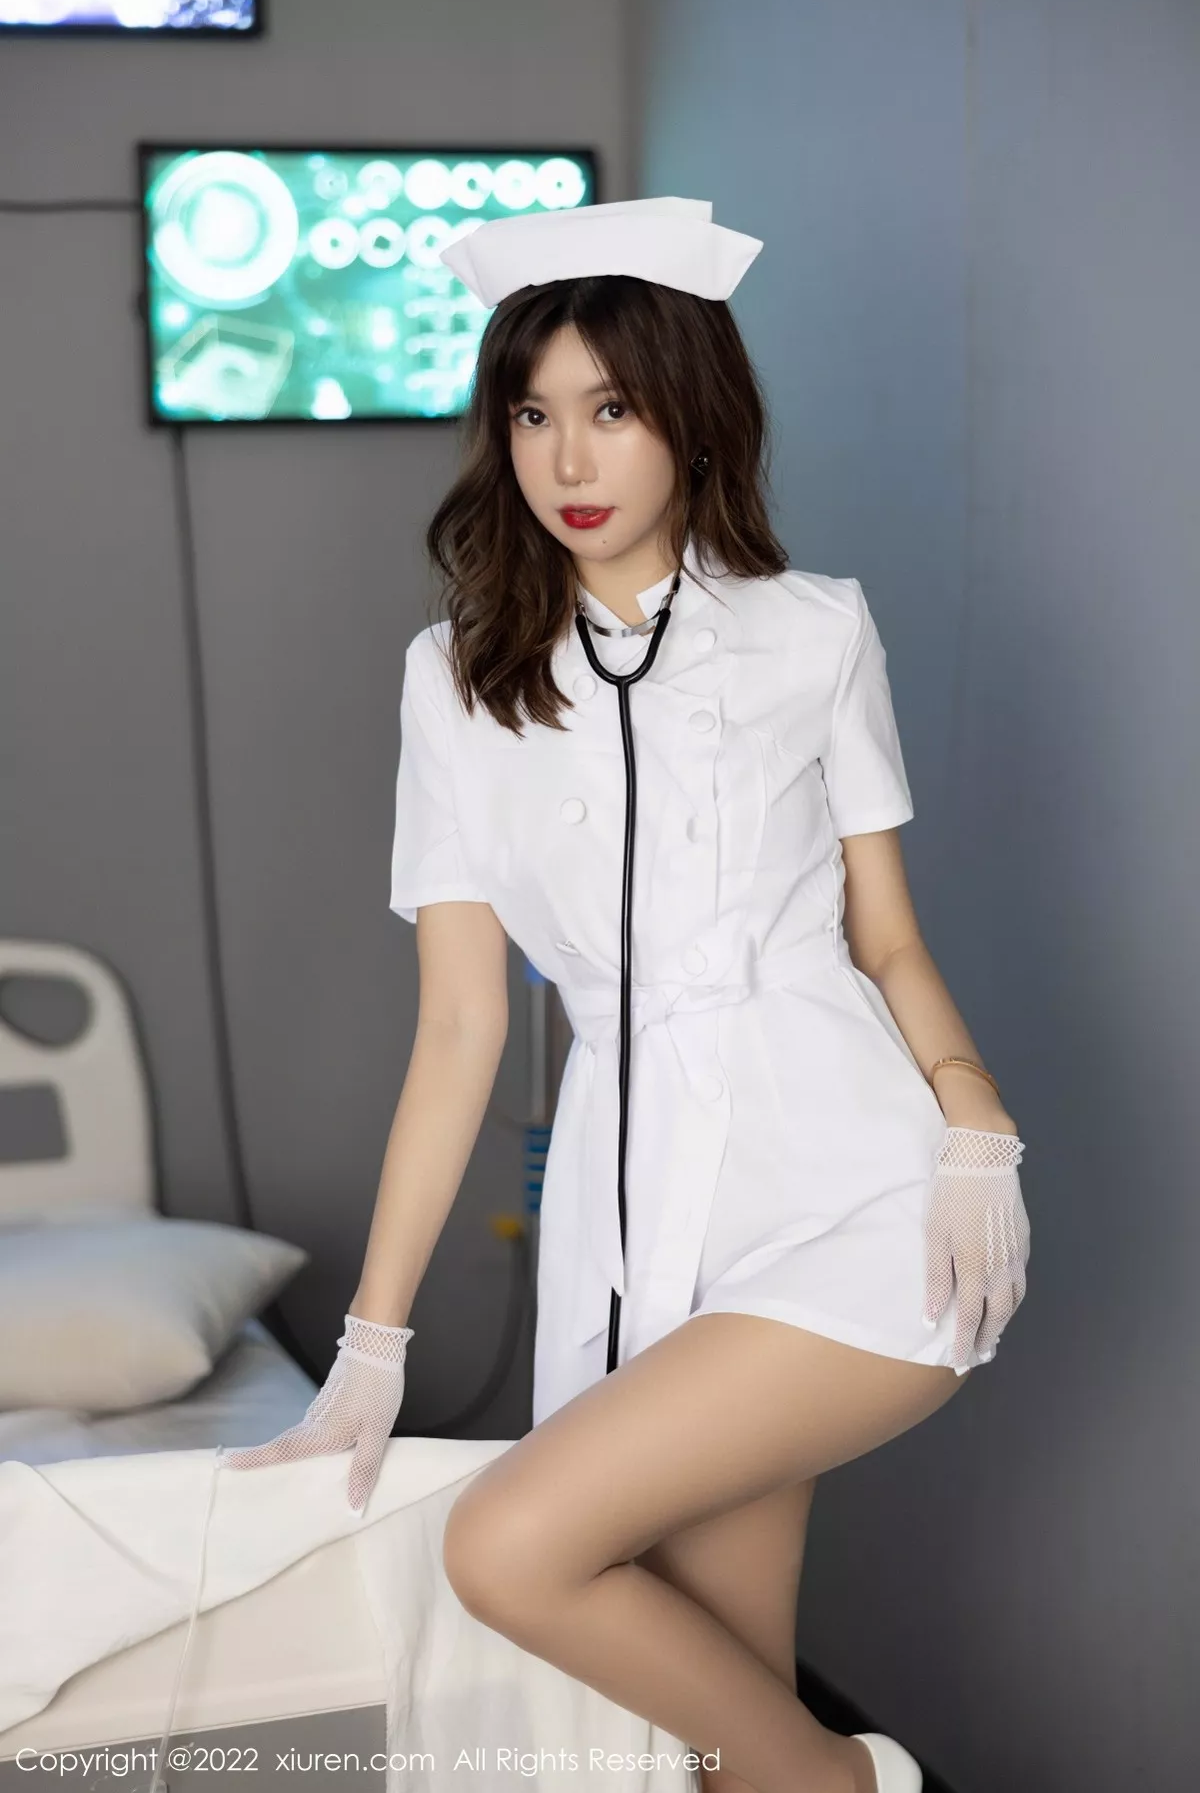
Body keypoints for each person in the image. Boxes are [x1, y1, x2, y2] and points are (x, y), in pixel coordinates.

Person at [225, 198, 1031, 1793]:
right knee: (713, 1727)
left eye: (611, 408)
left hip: (857, 1192)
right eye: (533, 415)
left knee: (511, 1544)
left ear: (692, 417)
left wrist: (976, 1122)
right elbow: (462, 1023)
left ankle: (857, 1782)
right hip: (640, 1210)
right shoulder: (454, 680)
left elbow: (886, 937)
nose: (568, 459)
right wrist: (373, 1341)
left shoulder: (816, 632)